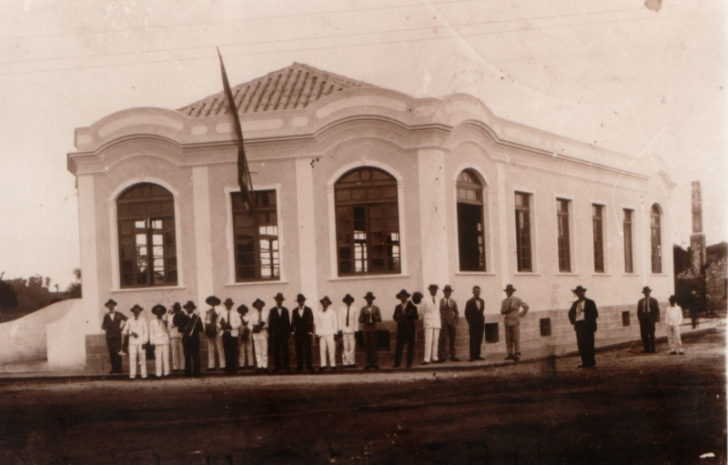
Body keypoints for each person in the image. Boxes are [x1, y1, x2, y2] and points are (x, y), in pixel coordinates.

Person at [568, 285, 598, 369]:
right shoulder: (575, 303)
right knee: (581, 344)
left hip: (588, 325)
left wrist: (588, 320)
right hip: (579, 325)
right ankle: (584, 362)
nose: (580, 294)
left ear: (584, 293)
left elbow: (595, 314)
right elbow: (570, 314)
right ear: (576, 294)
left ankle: (591, 363)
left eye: (581, 292)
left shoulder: (590, 302)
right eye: (578, 293)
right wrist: (574, 322)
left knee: (589, 344)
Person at [500, 284, 529, 362]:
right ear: (506, 292)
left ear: (512, 292)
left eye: (510, 291)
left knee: (516, 339)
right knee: (508, 339)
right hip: (507, 322)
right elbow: (502, 311)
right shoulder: (504, 301)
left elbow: (526, 306)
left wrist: (521, 314)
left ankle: (517, 354)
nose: (508, 293)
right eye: (507, 291)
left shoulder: (517, 299)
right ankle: (510, 354)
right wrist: (506, 310)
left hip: (515, 322)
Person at [393, 289, 418, 369]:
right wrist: (398, 317)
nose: (403, 298)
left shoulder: (412, 306)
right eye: (401, 297)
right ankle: (397, 363)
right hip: (401, 329)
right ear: (400, 298)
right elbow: (394, 317)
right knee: (399, 346)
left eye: (404, 296)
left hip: (410, 329)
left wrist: (410, 314)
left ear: (407, 297)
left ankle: (409, 363)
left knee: (410, 346)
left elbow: (416, 316)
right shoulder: (397, 307)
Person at [101, 298, 127, 374]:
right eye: (109, 305)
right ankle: (113, 369)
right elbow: (102, 326)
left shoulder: (119, 314)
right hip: (109, 337)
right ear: (107, 306)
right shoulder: (106, 316)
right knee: (111, 352)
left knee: (118, 352)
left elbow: (128, 320)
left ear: (114, 305)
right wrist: (105, 326)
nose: (111, 306)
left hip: (117, 336)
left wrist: (122, 328)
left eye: (112, 305)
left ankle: (119, 369)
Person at [124, 304, 149, 380]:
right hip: (132, 342)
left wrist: (145, 342)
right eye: (135, 311)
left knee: (142, 358)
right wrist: (131, 333)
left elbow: (146, 331)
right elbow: (124, 331)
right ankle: (132, 375)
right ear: (133, 311)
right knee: (132, 358)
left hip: (141, 342)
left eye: (138, 311)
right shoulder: (129, 320)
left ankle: (144, 374)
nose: (137, 312)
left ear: (140, 311)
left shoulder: (143, 320)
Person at [269, 292, 292, 373]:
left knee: (285, 350)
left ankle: (286, 367)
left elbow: (288, 322)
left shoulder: (285, 310)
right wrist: (271, 334)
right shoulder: (272, 310)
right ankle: (277, 367)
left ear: (282, 301)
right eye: (278, 300)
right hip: (276, 334)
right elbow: (270, 324)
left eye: (280, 300)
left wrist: (288, 333)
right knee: (276, 351)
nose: (279, 301)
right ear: (276, 300)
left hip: (284, 334)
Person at [291, 294, 315, 372]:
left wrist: (310, 332)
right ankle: (300, 366)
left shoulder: (308, 310)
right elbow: (292, 322)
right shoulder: (294, 311)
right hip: (298, 333)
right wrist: (292, 332)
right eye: (299, 301)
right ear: (298, 302)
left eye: (302, 301)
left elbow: (311, 321)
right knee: (299, 350)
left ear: (304, 301)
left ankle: (309, 366)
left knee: (308, 349)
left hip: (306, 333)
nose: (301, 302)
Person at [359, 291, 382, 370]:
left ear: (372, 300)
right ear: (366, 300)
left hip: (373, 329)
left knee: (374, 346)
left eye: (370, 299)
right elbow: (360, 320)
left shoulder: (376, 308)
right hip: (366, 329)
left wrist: (375, 317)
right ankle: (367, 363)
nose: (369, 300)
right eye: (368, 299)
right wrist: (364, 318)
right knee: (367, 346)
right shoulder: (363, 309)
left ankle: (374, 363)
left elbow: (380, 319)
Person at [180, 300, 203, 376]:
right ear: (186, 309)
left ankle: (197, 372)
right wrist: (185, 328)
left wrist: (194, 327)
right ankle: (187, 372)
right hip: (186, 339)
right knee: (187, 355)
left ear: (193, 309)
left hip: (195, 339)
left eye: (190, 308)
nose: (188, 309)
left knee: (195, 355)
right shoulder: (183, 317)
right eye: (187, 308)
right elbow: (179, 329)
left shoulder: (197, 318)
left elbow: (201, 328)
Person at [316, 296, 339, 371]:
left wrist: (335, 333)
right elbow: (318, 323)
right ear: (322, 304)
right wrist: (317, 333)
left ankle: (333, 364)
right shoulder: (319, 312)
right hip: (322, 334)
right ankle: (323, 364)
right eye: (323, 303)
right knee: (322, 349)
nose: (325, 304)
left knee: (331, 349)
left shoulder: (332, 312)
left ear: (328, 304)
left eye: (326, 303)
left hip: (330, 333)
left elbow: (335, 323)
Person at [219, 297, 242, 375]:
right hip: (225, 333)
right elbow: (217, 322)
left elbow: (239, 323)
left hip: (233, 333)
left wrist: (232, 326)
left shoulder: (235, 313)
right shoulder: (222, 314)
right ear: (225, 305)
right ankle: (228, 368)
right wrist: (222, 326)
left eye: (229, 304)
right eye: (227, 304)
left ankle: (233, 368)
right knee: (226, 351)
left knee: (233, 351)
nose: (228, 306)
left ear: (231, 305)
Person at [438, 285, 460, 362]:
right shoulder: (440, 302)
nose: (448, 293)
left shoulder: (453, 302)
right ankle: (442, 356)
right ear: (444, 292)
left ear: (450, 293)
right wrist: (439, 321)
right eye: (446, 292)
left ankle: (453, 355)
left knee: (452, 339)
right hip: (443, 322)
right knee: (443, 339)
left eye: (449, 292)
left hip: (452, 322)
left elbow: (457, 312)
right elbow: (437, 312)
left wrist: (456, 321)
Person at [421, 284, 441, 365]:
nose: (434, 291)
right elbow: (422, 312)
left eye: (435, 290)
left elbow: (439, 311)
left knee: (436, 341)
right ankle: (426, 359)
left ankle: (435, 357)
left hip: (437, 322)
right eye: (432, 290)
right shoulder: (425, 299)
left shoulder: (438, 299)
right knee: (428, 341)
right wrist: (425, 321)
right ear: (430, 290)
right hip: (428, 322)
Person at [149, 304, 171, 378]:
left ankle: (166, 373)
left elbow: (169, 331)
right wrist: (152, 343)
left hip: (165, 341)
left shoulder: (166, 321)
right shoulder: (152, 322)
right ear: (155, 313)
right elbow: (151, 333)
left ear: (162, 313)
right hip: (157, 342)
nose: (159, 313)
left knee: (165, 357)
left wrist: (166, 325)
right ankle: (158, 373)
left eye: (160, 311)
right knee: (158, 358)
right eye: (157, 311)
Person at [464, 286, 485, 362]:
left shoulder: (482, 301)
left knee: (479, 339)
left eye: (478, 291)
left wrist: (482, 321)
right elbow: (466, 313)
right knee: (473, 339)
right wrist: (471, 322)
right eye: (476, 291)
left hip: (480, 324)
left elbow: (481, 312)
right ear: (473, 292)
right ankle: (472, 356)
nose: (477, 292)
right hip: (473, 324)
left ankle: (478, 355)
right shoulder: (469, 302)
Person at [204, 296, 225, 371]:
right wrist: (207, 328)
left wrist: (216, 324)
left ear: (216, 302)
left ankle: (222, 365)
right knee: (210, 347)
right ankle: (211, 365)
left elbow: (222, 318)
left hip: (217, 329)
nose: (212, 303)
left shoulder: (220, 309)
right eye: (210, 301)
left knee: (220, 347)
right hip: (210, 330)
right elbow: (205, 320)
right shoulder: (207, 310)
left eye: (213, 301)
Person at [338, 294, 359, 368]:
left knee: (352, 346)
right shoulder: (341, 309)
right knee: (345, 347)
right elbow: (340, 319)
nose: (348, 302)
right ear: (345, 301)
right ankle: (345, 362)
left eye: (349, 300)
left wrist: (356, 330)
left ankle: (352, 362)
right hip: (344, 330)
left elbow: (356, 320)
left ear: (351, 301)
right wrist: (340, 329)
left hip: (352, 330)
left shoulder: (355, 308)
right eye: (347, 301)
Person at [637, 286, 660, 353]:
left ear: (649, 292)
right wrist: (640, 318)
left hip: (650, 318)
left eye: (647, 292)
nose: (646, 293)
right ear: (643, 293)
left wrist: (654, 319)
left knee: (651, 333)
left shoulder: (654, 300)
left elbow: (656, 310)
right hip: (643, 319)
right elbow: (638, 311)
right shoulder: (640, 301)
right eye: (645, 292)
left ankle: (653, 348)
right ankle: (646, 348)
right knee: (644, 334)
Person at [250, 298, 270, 373]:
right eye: (257, 305)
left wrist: (263, 326)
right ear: (255, 306)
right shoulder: (252, 315)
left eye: (260, 305)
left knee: (264, 350)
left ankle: (265, 366)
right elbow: (250, 325)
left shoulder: (266, 314)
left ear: (262, 305)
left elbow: (268, 323)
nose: (259, 306)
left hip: (263, 333)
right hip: (256, 334)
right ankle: (259, 366)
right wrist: (254, 328)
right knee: (258, 350)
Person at [165, 302, 184, 372]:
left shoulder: (181, 315)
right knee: (174, 351)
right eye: (175, 308)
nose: (176, 310)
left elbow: (182, 323)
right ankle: (175, 366)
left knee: (181, 351)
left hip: (180, 334)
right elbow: (170, 325)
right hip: (173, 334)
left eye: (177, 308)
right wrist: (175, 324)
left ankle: (182, 366)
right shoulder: (170, 316)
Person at [237, 304, 254, 370]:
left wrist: (246, 330)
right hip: (241, 335)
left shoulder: (249, 317)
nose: (242, 312)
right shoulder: (238, 317)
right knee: (242, 350)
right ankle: (241, 364)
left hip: (248, 334)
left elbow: (251, 325)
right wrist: (241, 332)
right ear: (240, 311)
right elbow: (238, 325)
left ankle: (250, 364)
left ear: (246, 311)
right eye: (241, 310)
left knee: (249, 349)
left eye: (244, 310)